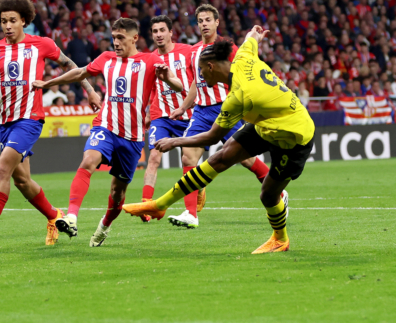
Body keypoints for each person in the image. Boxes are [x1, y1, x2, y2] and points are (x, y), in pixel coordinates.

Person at [123, 26, 316, 254]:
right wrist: (257, 33)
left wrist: (174, 142)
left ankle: (280, 238)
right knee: (220, 158)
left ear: (211, 67)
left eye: (202, 72)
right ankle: (159, 205)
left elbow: (212, 136)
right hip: (266, 124)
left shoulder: (239, 97)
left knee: (268, 194)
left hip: (294, 136)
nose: (201, 78)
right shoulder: (243, 57)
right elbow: (250, 40)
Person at [0, 0, 101, 252]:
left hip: (29, 120)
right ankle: (54, 216)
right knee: (22, 181)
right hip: (5, 122)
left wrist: (90, 91)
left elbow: (70, 64)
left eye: (12, 20)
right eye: (3, 21)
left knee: (2, 169)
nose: (7, 25)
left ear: (23, 21)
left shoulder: (41, 44)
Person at [32, 18, 183, 247]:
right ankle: (71, 216)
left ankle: (104, 226)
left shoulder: (150, 60)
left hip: (132, 138)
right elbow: (80, 73)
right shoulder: (106, 59)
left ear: (134, 38)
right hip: (106, 126)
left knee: (117, 193)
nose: (115, 42)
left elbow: (179, 85)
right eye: (113, 37)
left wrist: (166, 78)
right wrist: (48, 83)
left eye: (120, 38)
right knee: (88, 160)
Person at [160, 4, 273, 227]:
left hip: (225, 109)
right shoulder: (194, 51)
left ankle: (278, 192)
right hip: (201, 111)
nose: (204, 24)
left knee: (246, 159)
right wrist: (184, 107)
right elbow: (196, 82)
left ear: (217, 22)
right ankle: (191, 214)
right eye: (200, 20)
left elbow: (244, 66)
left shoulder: (226, 47)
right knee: (188, 157)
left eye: (208, 20)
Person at [139, 15, 200, 227]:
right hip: (161, 116)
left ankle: (196, 197)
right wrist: (146, 112)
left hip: (189, 115)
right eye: (155, 31)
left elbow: (198, 79)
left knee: (188, 160)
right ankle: (147, 204)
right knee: (154, 157)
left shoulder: (188, 52)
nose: (158, 35)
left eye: (162, 30)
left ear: (171, 32)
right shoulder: (148, 59)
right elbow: (147, 88)